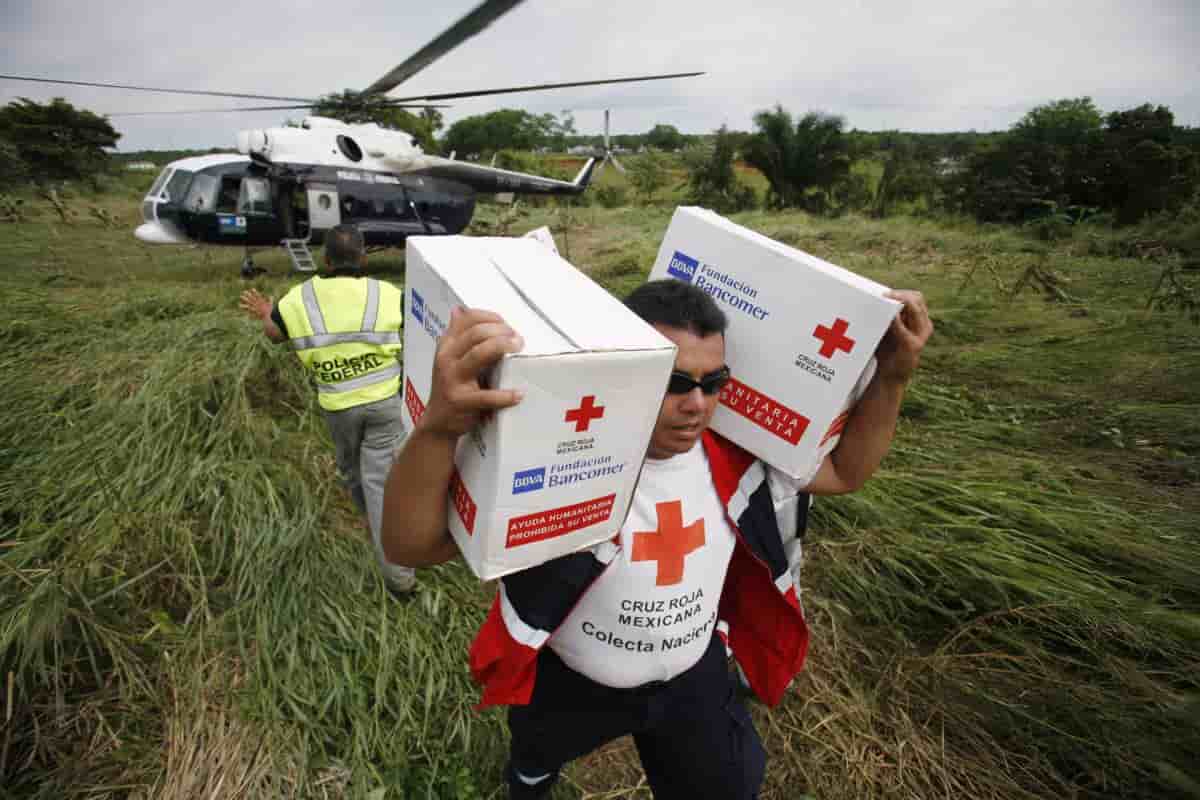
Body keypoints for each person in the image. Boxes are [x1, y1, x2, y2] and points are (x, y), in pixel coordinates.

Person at [381, 279, 932, 798]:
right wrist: (441, 426)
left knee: (728, 786)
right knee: (534, 759)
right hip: (571, 677)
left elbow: (843, 474)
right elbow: (413, 548)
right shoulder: (561, 457)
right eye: (674, 382)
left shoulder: (737, 453)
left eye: (713, 382)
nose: (696, 403)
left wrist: (893, 376)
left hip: (694, 672)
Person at [239, 223, 417, 595]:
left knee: (352, 471)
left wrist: (265, 312)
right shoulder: (388, 293)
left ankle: (377, 536)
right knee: (380, 483)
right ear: (364, 257)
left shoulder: (297, 298)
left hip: (338, 407)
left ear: (325, 260)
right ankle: (399, 577)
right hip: (385, 404)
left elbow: (275, 334)